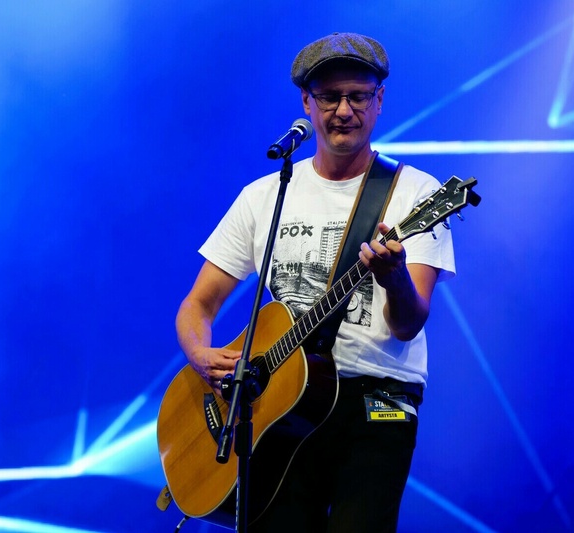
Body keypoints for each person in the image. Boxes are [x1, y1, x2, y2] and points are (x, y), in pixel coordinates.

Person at [175, 32, 455, 532]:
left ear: (380, 100)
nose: (344, 110)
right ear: (306, 103)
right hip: (280, 406)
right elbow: (197, 304)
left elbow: (409, 324)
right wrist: (201, 354)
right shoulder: (265, 195)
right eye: (329, 97)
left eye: (358, 96)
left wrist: (394, 279)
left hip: (376, 401)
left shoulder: (415, 192)